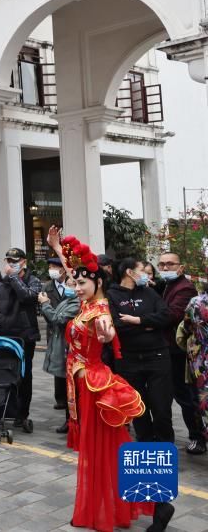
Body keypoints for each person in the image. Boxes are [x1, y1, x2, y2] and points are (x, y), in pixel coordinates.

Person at [45, 228, 170, 532]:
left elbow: (108, 330)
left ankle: (157, 503)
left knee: (111, 449)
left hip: (95, 385)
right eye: (73, 281)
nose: (75, 287)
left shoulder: (100, 309)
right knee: (106, 449)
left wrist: (108, 335)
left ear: (98, 281)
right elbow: (79, 272)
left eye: (81, 282)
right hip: (84, 385)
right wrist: (57, 248)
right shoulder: (87, 300)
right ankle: (147, 503)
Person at [107, 257, 174, 444]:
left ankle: (165, 449)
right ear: (130, 272)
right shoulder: (111, 295)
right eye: (142, 270)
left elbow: (166, 316)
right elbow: (117, 325)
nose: (146, 275)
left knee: (161, 409)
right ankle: (145, 446)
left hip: (158, 356)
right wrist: (150, 323)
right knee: (137, 407)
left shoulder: (149, 292)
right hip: (128, 359)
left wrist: (138, 321)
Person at [0, 247, 42, 433]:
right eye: (8, 261)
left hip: (25, 337)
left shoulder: (33, 280)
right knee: (3, 372)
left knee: (24, 375)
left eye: (15, 261)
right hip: (4, 336)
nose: (11, 264)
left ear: (24, 262)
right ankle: (1, 409)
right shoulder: (1, 284)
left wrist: (14, 278)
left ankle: (22, 413)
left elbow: (28, 296)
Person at [158, 251, 206, 455]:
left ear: (181, 267)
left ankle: (198, 436)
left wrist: (145, 320)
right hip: (184, 353)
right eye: (162, 264)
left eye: (170, 264)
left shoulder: (187, 291)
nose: (165, 268)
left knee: (188, 397)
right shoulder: (170, 286)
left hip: (187, 356)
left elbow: (176, 319)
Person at [39, 275, 79, 433]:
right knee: (68, 386)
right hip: (60, 347)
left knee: (72, 388)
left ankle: (72, 421)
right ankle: (69, 420)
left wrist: (46, 304)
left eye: (74, 284)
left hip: (69, 349)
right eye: (68, 284)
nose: (70, 288)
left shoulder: (77, 303)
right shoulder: (67, 301)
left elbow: (58, 319)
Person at [176, 294, 208, 448]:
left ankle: (201, 438)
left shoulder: (196, 302)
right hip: (201, 361)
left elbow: (187, 327)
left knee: (202, 402)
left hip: (202, 361)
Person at [42, 257, 68, 410]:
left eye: (54, 266)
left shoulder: (72, 285)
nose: (51, 269)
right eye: (50, 266)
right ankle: (60, 398)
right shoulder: (47, 287)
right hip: (54, 329)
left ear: (63, 269)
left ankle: (71, 395)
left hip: (69, 327)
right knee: (58, 362)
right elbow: (45, 311)